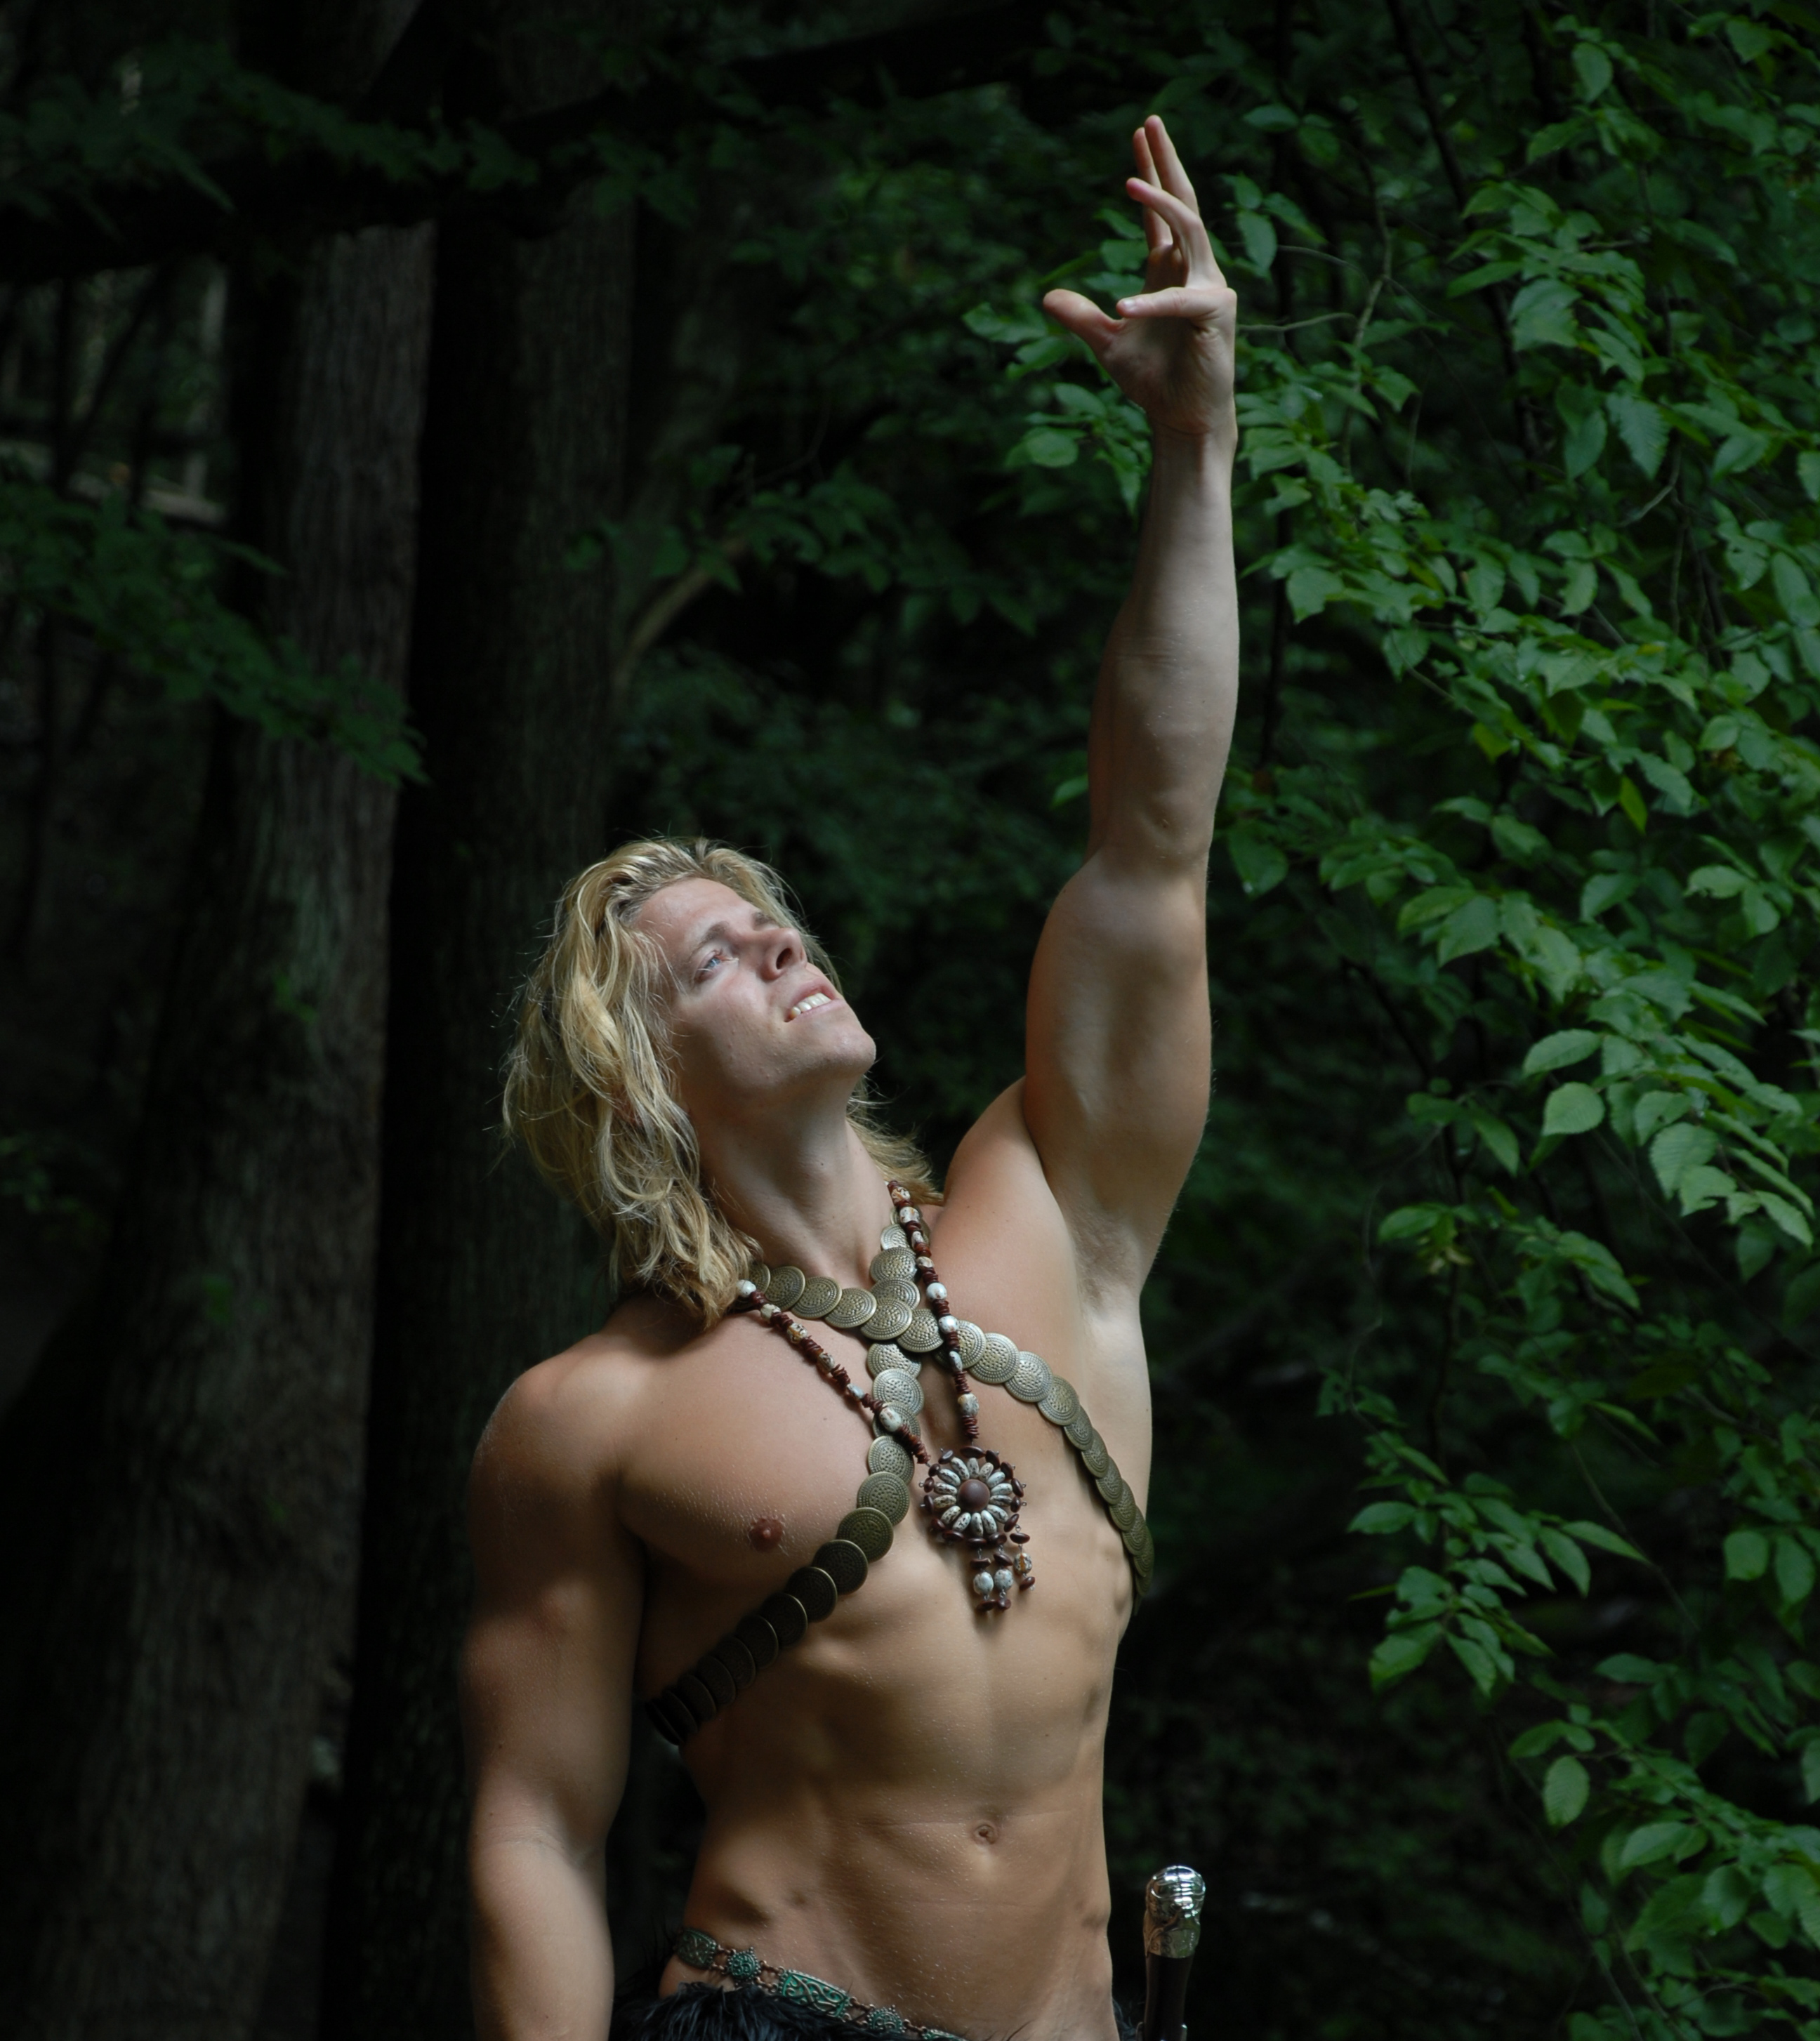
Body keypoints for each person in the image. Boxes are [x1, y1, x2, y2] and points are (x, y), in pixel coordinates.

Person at [462, 112, 1238, 2041]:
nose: (781, 947)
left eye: (776, 922)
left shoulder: (1060, 1207)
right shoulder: (591, 1418)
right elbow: (538, 1829)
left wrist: (1194, 450)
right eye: (712, 960)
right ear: (638, 1081)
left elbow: (1152, 844)